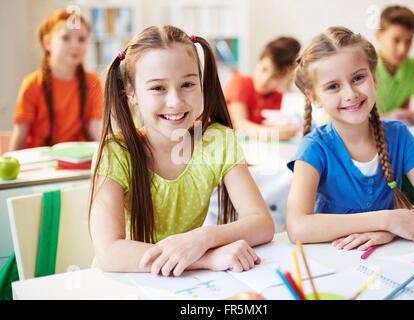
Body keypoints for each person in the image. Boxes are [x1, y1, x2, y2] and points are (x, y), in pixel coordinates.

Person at [89, 25, 274, 276]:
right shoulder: (117, 153)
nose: (175, 101)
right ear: (131, 93)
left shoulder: (216, 141)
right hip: (127, 280)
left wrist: (203, 238)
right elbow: (110, 253)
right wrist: (204, 257)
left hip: (185, 284)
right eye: (158, 88)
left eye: (187, 84)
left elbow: (262, 223)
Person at [285, 26, 414, 251]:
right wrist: (387, 221)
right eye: (333, 86)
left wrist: (387, 231)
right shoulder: (314, 148)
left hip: (391, 256)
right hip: (335, 260)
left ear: (374, 78)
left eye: (358, 78)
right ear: (315, 97)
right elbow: (297, 227)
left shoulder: (398, 135)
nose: (351, 94)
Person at [9, 9, 103, 150]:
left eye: (81, 39)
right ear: (47, 43)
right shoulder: (32, 84)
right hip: (41, 163)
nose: (76, 45)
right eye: (66, 38)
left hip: (78, 162)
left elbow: (95, 130)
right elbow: (20, 138)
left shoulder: (93, 81)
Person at [224, 36, 301, 141]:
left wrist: (287, 81)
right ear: (259, 61)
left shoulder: (278, 96)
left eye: (275, 76)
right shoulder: (238, 81)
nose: (265, 80)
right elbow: (240, 124)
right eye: (264, 69)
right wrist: (273, 133)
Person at [375, 5, 414, 125]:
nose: (403, 49)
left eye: (409, 41)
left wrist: (411, 117)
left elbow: (403, 111)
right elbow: (353, 117)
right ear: (379, 36)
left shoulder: (411, 65)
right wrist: (387, 117)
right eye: (396, 40)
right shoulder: (366, 64)